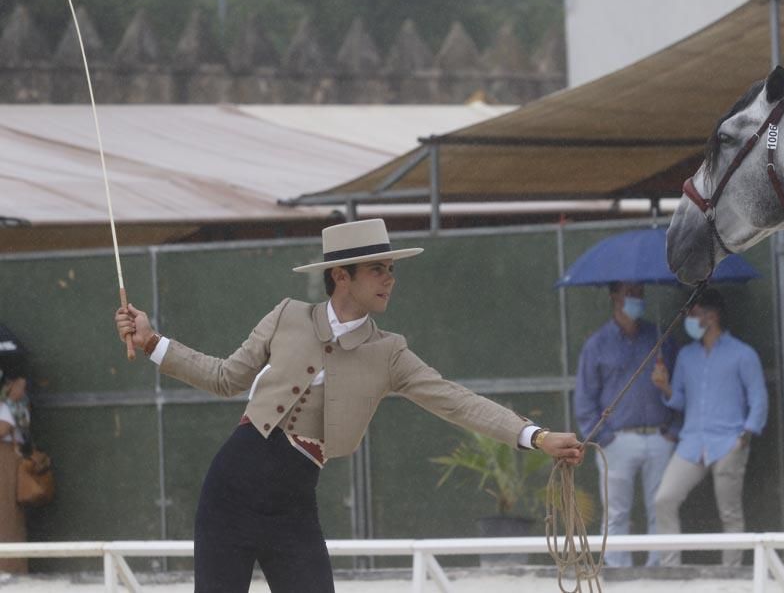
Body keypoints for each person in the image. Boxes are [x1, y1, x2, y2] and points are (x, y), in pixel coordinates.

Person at [114, 219, 583, 593]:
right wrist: (153, 340)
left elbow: (457, 402)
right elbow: (224, 378)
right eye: (378, 269)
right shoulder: (287, 315)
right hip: (231, 486)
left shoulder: (390, 352)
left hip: (294, 503)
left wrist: (535, 436)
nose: (390, 279)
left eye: (391, 269)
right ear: (342, 276)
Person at [652, 288, 767, 567]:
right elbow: (678, 400)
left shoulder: (743, 354)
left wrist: (745, 436)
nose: (688, 320)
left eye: (693, 314)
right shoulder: (686, 356)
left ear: (712, 315)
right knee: (663, 499)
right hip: (690, 444)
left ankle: (731, 575)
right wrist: (664, 386)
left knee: (729, 513)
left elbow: (759, 398)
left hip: (729, 443)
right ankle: (670, 569)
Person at [574, 281, 680, 567]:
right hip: (617, 441)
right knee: (616, 512)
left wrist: (672, 431)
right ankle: (617, 572)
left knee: (660, 508)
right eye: (629, 293)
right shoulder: (597, 344)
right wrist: (604, 438)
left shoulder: (659, 338)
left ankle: (659, 571)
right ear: (614, 297)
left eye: (640, 293)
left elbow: (680, 387)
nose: (636, 299)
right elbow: (584, 399)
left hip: (659, 437)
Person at [0, 366, 31, 574]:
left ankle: (10, 568)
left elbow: (2, 429)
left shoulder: (8, 404)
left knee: (7, 515)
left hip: (6, 460)